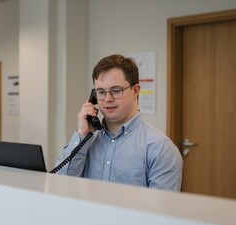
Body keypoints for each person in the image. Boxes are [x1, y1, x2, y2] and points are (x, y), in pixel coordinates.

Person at [55, 54, 183, 191]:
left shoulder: (161, 148)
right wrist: (81, 134)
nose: (107, 99)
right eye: (101, 92)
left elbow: (160, 209)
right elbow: (60, 186)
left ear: (135, 91)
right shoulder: (86, 140)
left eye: (116, 91)